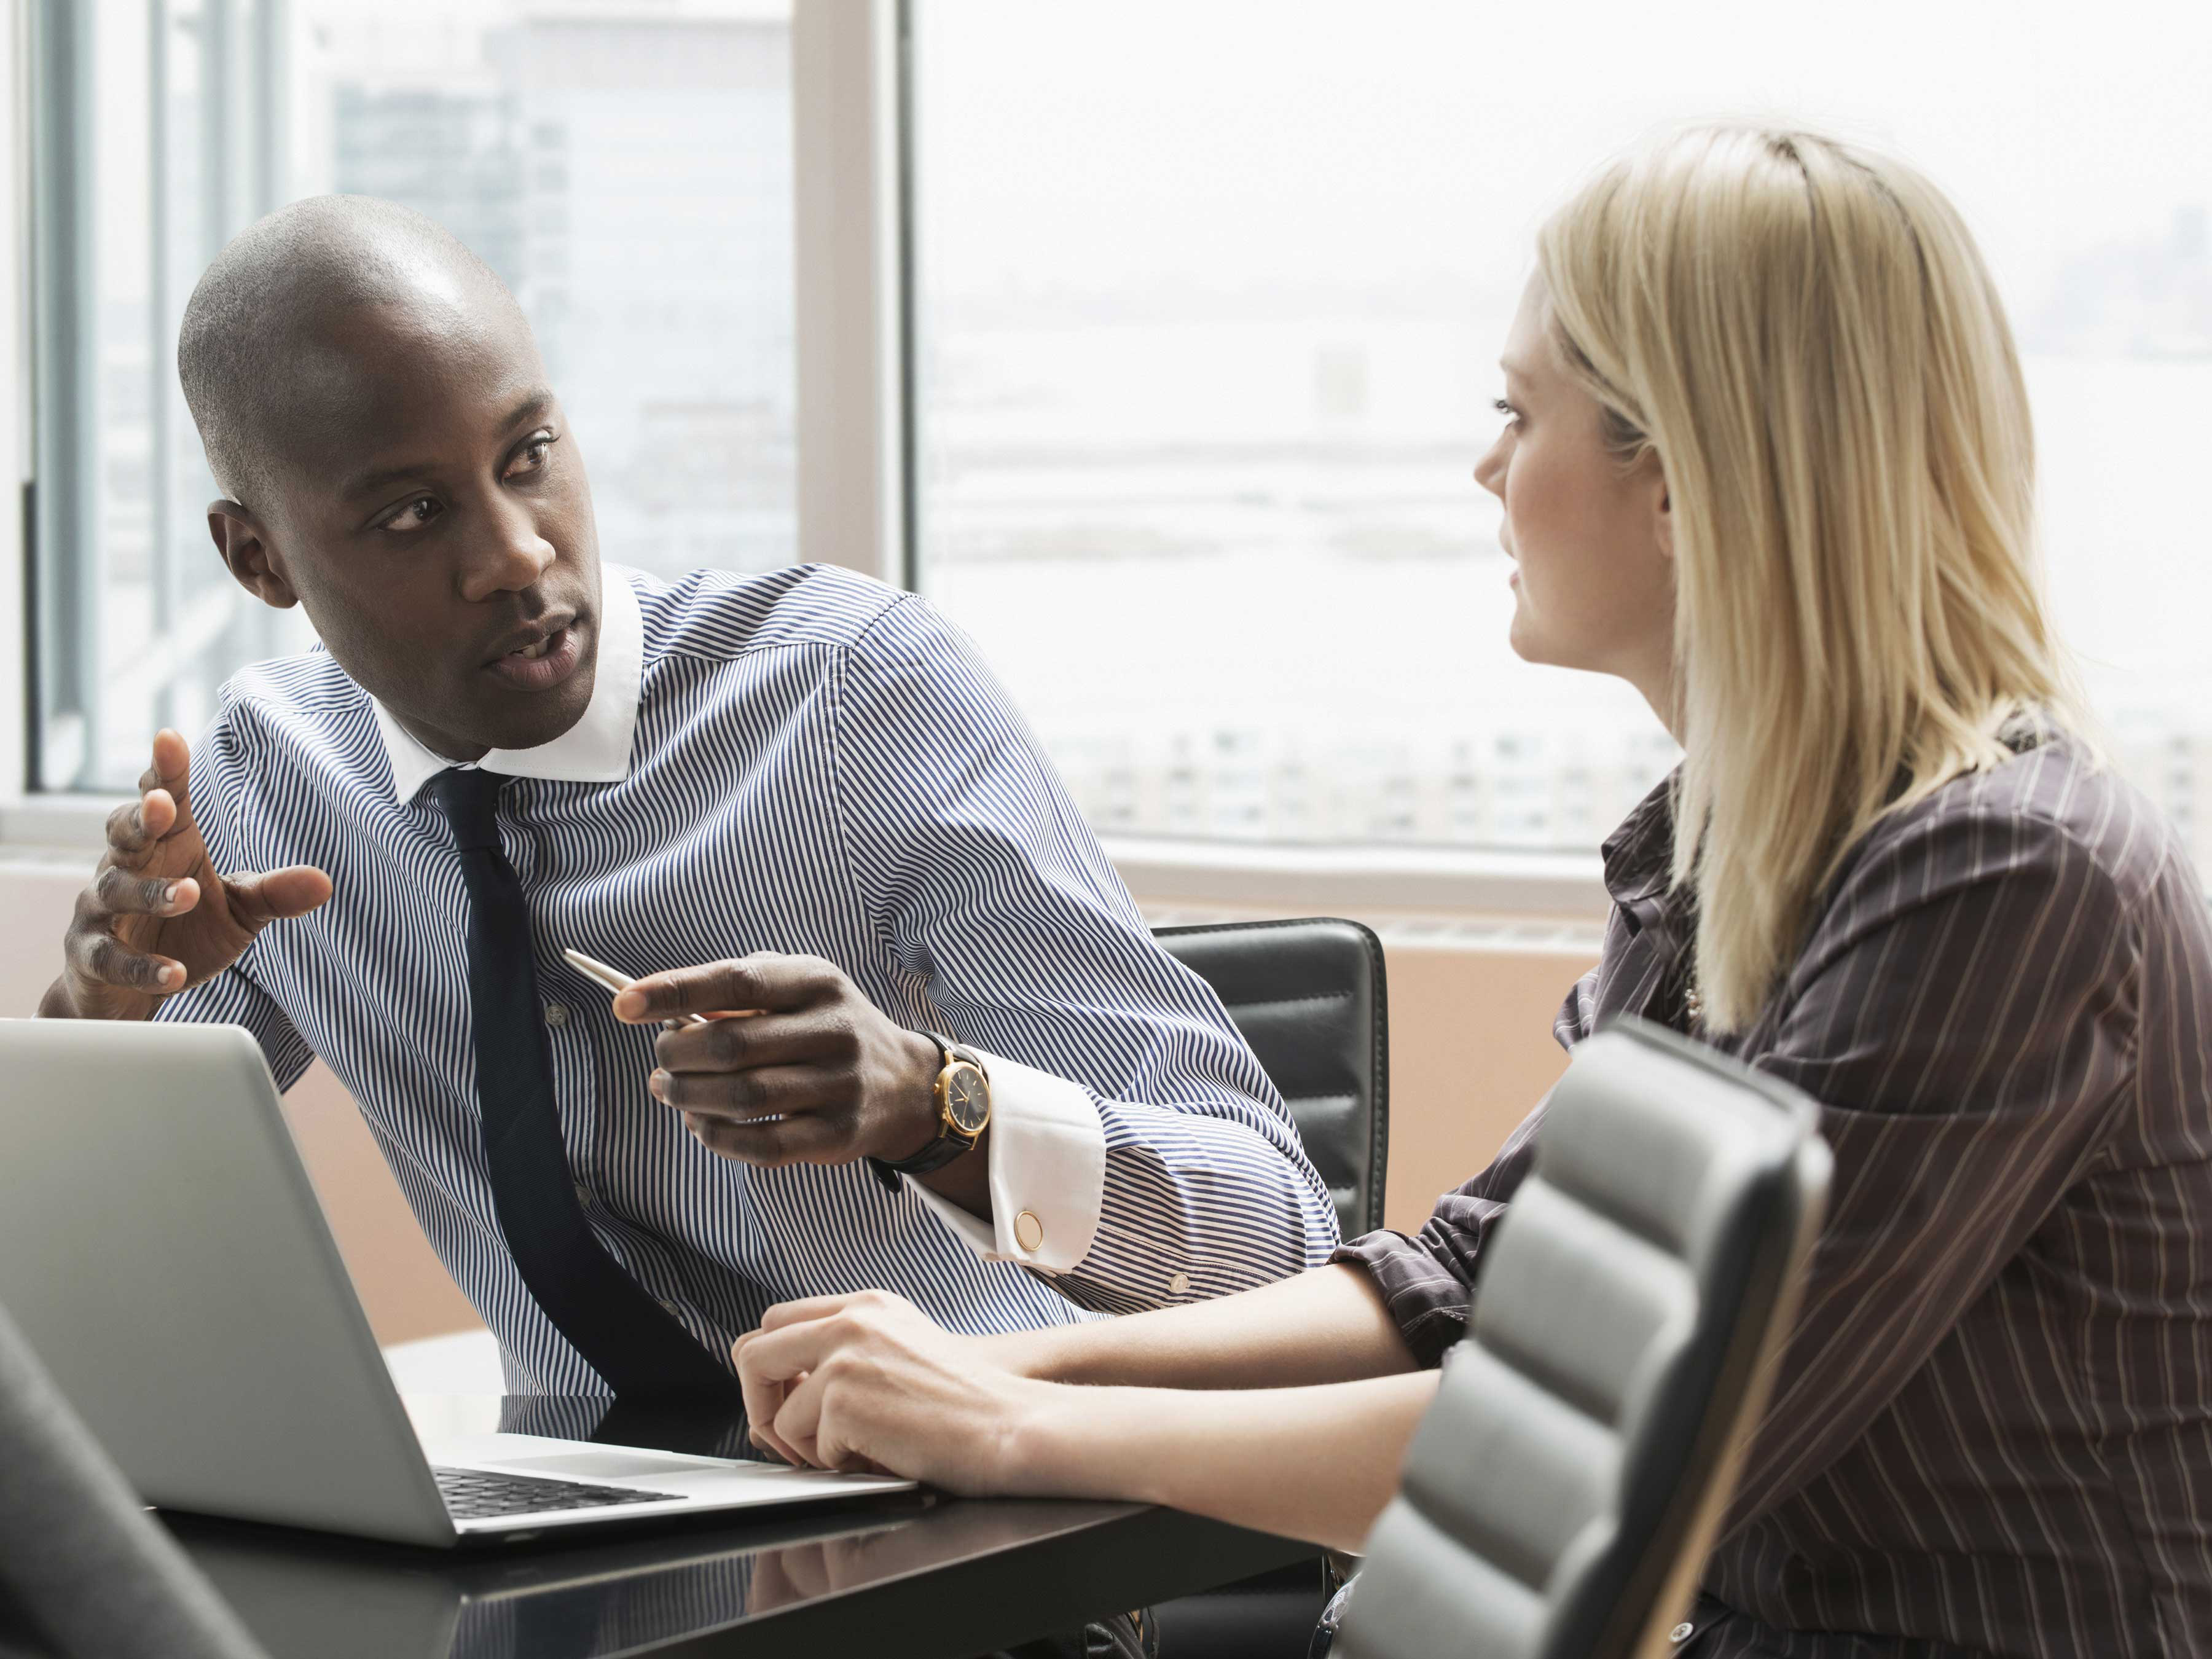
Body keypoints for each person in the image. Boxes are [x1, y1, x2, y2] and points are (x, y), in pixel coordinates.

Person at [728, 126, 2212, 1658]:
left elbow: (1615, 1458)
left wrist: (1018, 1432)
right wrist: (1017, 1372)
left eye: (1522, 412)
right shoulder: (1748, 852)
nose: (1488, 465)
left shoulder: (2009, 879)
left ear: (1689, 478)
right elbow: (1471, 1277)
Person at [37, 195, 1339, 1405]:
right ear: (258, 557)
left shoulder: (850, 696)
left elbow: (1282, 1242)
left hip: (962, 1518)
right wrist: (98, 1015)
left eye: (530, 454)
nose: (518, 552)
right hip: (579, 1528)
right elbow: (71, 1229)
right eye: (413, 513)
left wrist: (929, 1104)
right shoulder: (266, 778)